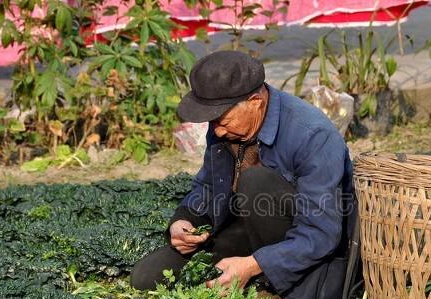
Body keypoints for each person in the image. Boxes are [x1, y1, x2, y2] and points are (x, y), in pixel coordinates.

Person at [130, 50, 355, 298]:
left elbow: (320, 233)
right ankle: (255, 272)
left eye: (221, 120)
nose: (218, 131)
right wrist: (184, 220)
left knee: (255, 180)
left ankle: (265, 278)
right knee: (147, 275)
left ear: (255, 101)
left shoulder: (313, 135)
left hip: (307, 246)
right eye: (211, 121)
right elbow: (207, 186)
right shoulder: (223, 128)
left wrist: (253, 265)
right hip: (248, 226)